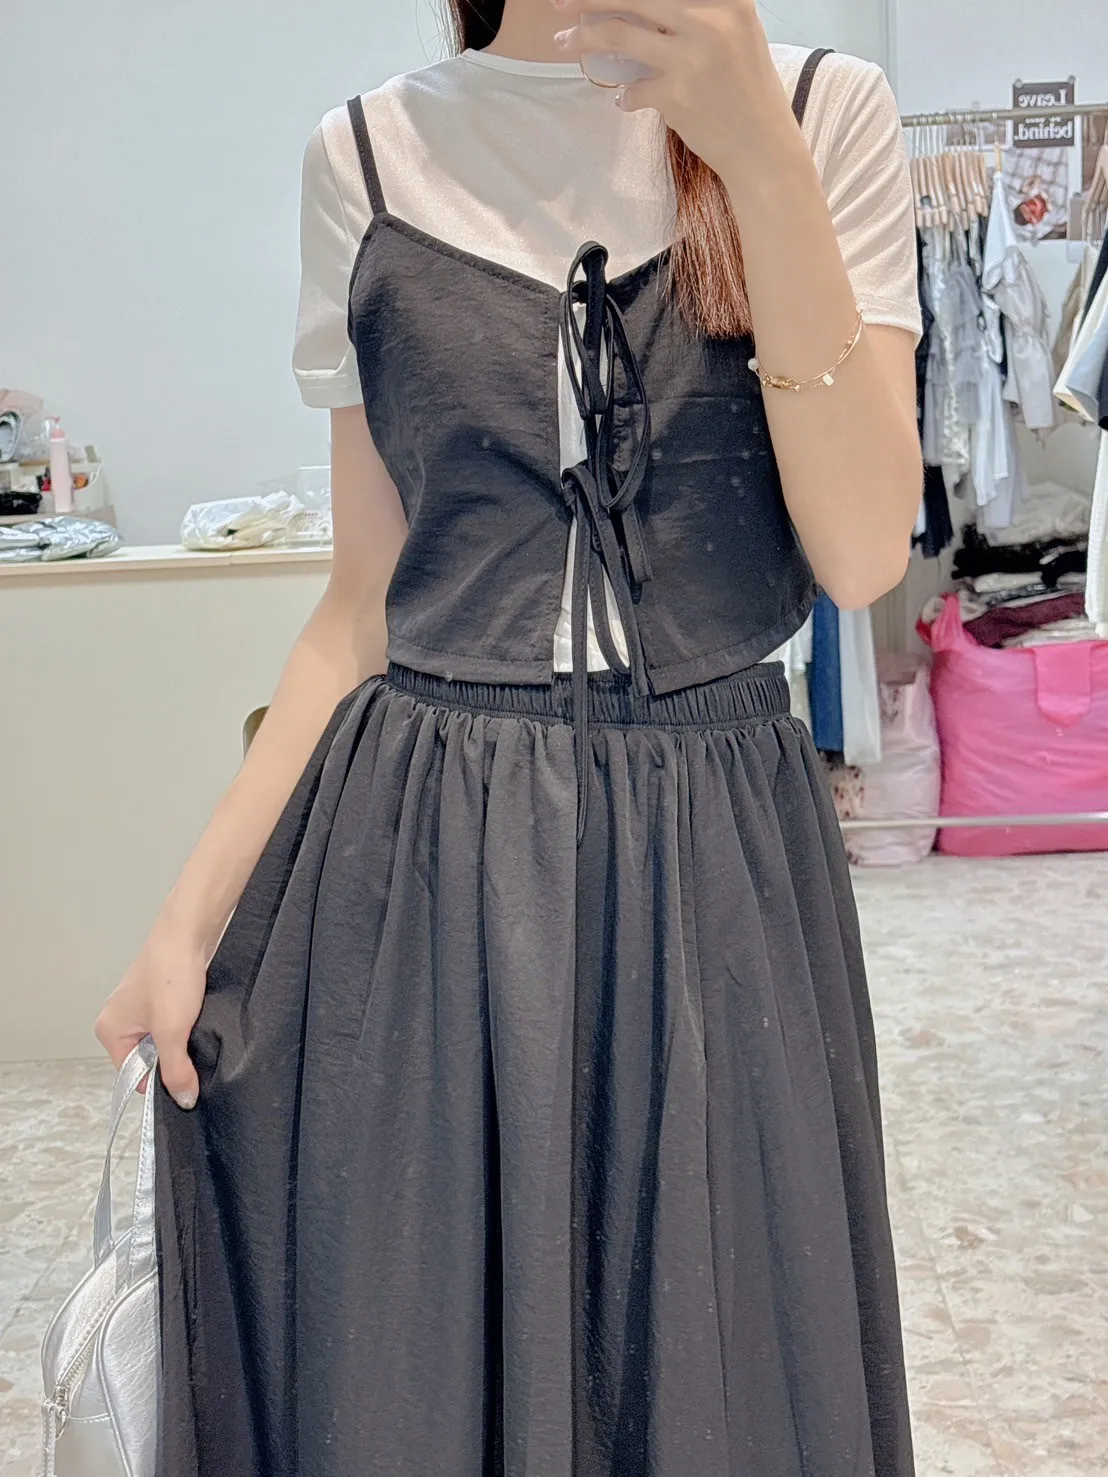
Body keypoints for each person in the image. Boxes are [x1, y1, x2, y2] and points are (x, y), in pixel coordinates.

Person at [95, 0, 923, 1471]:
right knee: (421, 1359)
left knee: (721, 1365)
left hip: (717, 849)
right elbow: (363, 605)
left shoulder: (820, 110)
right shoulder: (368, 154)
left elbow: (860, 553)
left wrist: (754, 152)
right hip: (431, 855)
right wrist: (187, 915)